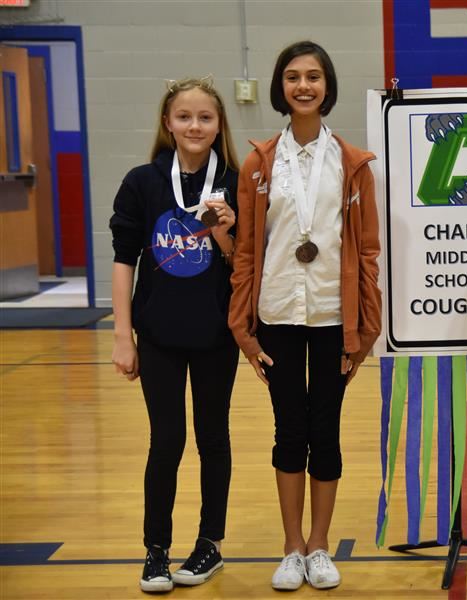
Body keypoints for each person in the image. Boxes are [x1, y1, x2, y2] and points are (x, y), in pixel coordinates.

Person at [228, 40, 382, 592]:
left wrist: (367, 328)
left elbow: (366, 253)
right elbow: (246, 249)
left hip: (333, 317)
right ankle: (291, 547)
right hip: (276, 313)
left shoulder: (353, 163)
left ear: (327, 86)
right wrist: (242, 327)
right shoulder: (258, 163)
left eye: (313, 76)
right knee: (289, 430)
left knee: (327, 429)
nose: (303, 86)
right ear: (281, 87)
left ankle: (321, 545)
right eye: (293, 77)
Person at [109, 76, 240, 593]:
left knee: (213, 438)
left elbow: (241, 264)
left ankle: (209, 544)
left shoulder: (234, 180)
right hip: (158, 333)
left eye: (205, 117)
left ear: (218, 125)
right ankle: (156, 550)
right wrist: (123, 335)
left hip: (216, 334)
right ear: (168, 122)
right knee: (165, 441)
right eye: (184, 116)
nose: (194, 125)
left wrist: (227, 230)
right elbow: (123, 262)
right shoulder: (142, 182)